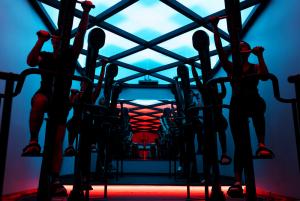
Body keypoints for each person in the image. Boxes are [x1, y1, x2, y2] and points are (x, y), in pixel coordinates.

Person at [22, 1, 94, 196]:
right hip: (46, 93)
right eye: (56, 38)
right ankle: (33, 140)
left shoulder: (70, 55)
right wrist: (40, 40)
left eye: (61, 39)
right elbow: (30, 60)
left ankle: (55, 178)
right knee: (38, 101)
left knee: (58, 140)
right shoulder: (45, 55)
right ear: (53, 40)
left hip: (62, 100)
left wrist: (85, 11)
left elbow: (80, 36)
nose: (58, 41)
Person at [210, 16, 273, 196]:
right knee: (240, 145)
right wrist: (215, 28)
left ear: (247, 51)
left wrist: (260, 55)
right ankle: (238, 181)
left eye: (243, 46)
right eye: (238, 47)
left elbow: (264, 76)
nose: (240, 48)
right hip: (237, 104)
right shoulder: (231, 67)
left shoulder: (253, 67)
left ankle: (261, 143)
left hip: (252, 100)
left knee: (259, 106)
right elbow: (220, 51)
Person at [64, 59, 107, 156]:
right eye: (83, 84)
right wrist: (72, 96)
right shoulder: (75, 95)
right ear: (81, 85)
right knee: (72, 123)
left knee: (94, 124)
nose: (84, 85)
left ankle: (92, 143)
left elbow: (99, 85)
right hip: (76, 121)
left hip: (86, 123)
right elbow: (68, 108)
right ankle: (70, 145)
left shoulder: (91, 96)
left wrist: (103, 67)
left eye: (86, 84)